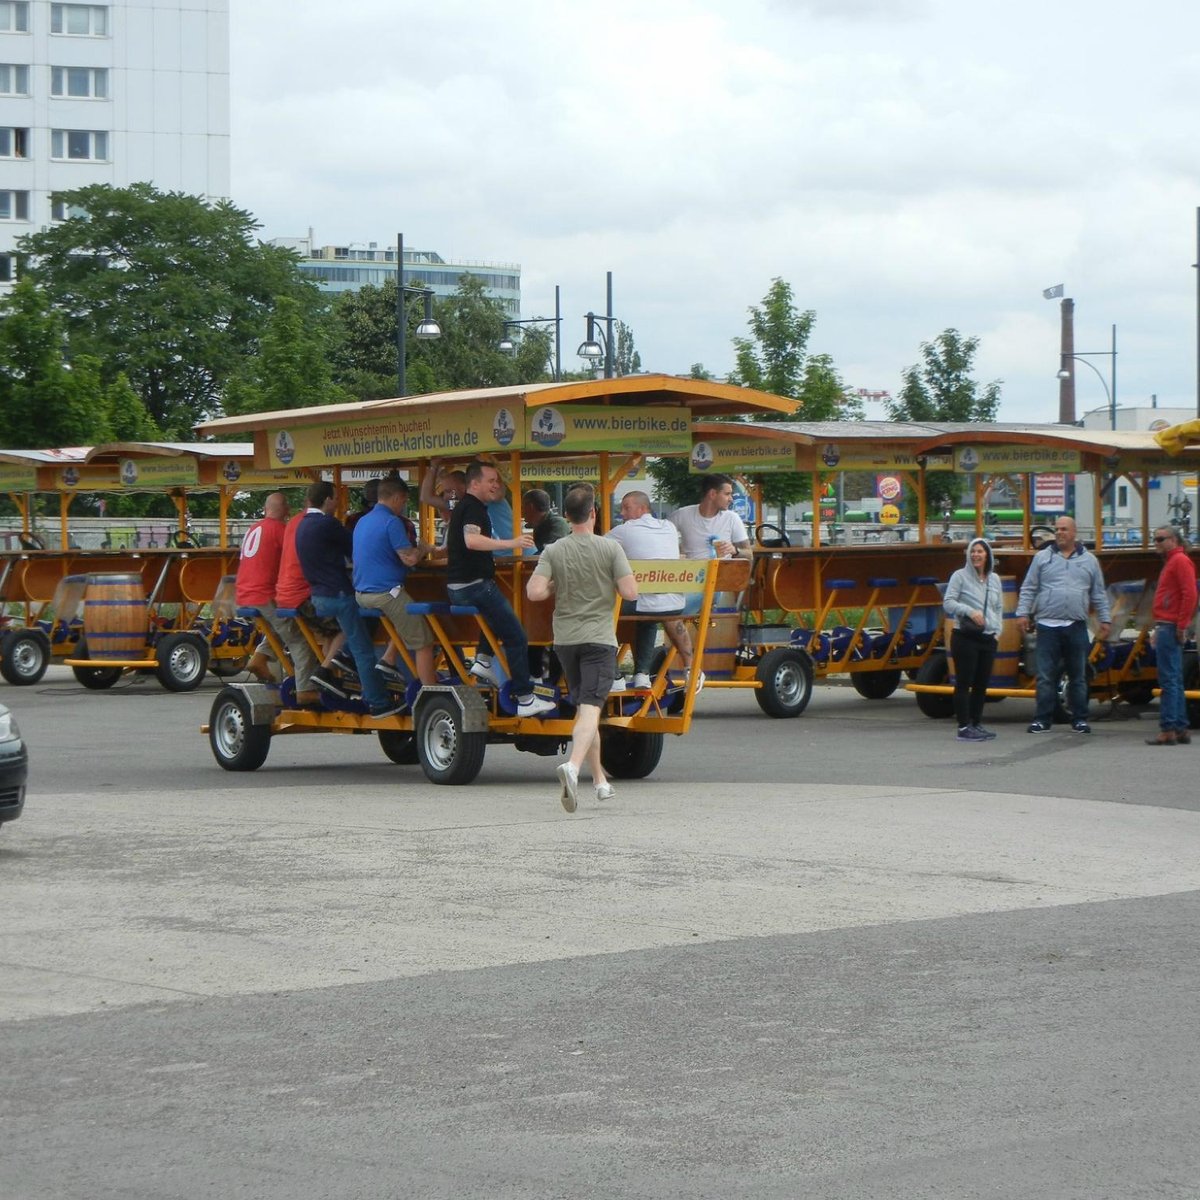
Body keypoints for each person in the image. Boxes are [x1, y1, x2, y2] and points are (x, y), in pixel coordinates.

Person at [528, 484, 638, 813]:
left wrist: (553, 583)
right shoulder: (610, 549)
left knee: (586, 710)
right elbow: (630, 592)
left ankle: (600, 781)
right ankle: (573, 768)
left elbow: (534, 593)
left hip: (566, 640)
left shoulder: (554, 551)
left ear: (566, 515)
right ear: (594, 513)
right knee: (591, 708)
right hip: (599, 639)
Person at [446, 460, 555, 718]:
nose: (496, 485)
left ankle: (483, 660)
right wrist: (512, 541)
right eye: (491, 480)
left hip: (463, 585)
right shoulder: (473, 508)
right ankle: (526, 698)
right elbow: (471, 540)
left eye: (497, 480)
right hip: (473, 585)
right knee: (517, 636)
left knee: (496, 610)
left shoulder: (467, 507)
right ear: (475, 483)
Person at [294, 480, 403, 719]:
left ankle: (336, 665)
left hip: (318, 597)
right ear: (327, 500)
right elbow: (359, 546)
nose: (338, 503)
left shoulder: (302, 525)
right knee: (364, 648)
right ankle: (378, 702)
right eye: (335, 498)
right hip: (339, 594)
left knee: (362, 623)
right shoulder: (328, 525)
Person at [1015, 515, 1111, 734]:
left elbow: (1098, 593)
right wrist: (1022, 613)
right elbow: (1029, 587)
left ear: (1074, 532)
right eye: (1057, 529)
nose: (1059, 533)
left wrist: (1105, 618)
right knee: (1045, 676)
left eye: (1064, 529)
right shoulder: (1042, 558)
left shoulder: (1089, 561)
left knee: (1078, 676)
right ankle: (1042, 719)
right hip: (1047, 625)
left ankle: (1079, 719)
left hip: (1076, 626)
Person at [606, 489, 699, 690]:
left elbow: (595, 549)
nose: (622, 513)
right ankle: (642, 674)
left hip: (644, 604)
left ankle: (614, 677)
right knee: (648, 617)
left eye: (626, 508)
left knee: (599, 611)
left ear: (642, 508)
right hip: (674, 605)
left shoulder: (625, 530)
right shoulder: (669, 527)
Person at [235, 493, 321, 705]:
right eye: (287, 507)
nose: (289, 511)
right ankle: (306, 690)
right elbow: (297, 557)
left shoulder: (254, 528)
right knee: (299, 638)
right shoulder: (280, 530)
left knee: (281, 625)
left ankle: (260, 658)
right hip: (265, 593)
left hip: (245, 592)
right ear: (282, 508)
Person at [352, 476, 438, 688]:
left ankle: (389, 660)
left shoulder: (362, 521)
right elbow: (409, 558)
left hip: (361, 594)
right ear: (397, 497)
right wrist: (424, 549)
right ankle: (431, 691)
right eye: (404, 501)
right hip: (385, 594)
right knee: (425, 641)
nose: (404, 506)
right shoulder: (392, 522)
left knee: (407, 614)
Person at [943, 537, 1003, 742]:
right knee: (964, 682)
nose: (976, 555)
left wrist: (998, 632)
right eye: (973, 551)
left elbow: (999, 608)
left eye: (980, 551)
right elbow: (948, 603)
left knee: (981, 683)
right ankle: (963, 726)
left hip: (987, 637)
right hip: (965, 635)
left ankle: (976, 723)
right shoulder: (959, 576)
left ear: (988, 555)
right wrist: (969, 611)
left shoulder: (994, 580)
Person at [1144, 525, 1197, 746]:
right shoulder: (1175, 561)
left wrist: (1181, 624)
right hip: (1168, 624)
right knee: (1174, 679)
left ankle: (1168, 729)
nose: (1156, 543)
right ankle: (1180, 727)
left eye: (1160, 539)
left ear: (1174, 540)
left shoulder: (1179, 562)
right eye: (1154, 539)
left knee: (1169, 679)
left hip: (1170, 624)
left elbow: (1190, 594)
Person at [669, 473, 752, 560]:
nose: (731, 499)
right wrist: (676, 550)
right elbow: (662, 538)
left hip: (723, 571)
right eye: (727, 494)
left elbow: (749, 554)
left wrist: (735, 550)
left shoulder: (732, 518)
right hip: (692, 571)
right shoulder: (682, 515)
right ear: (712, 494)